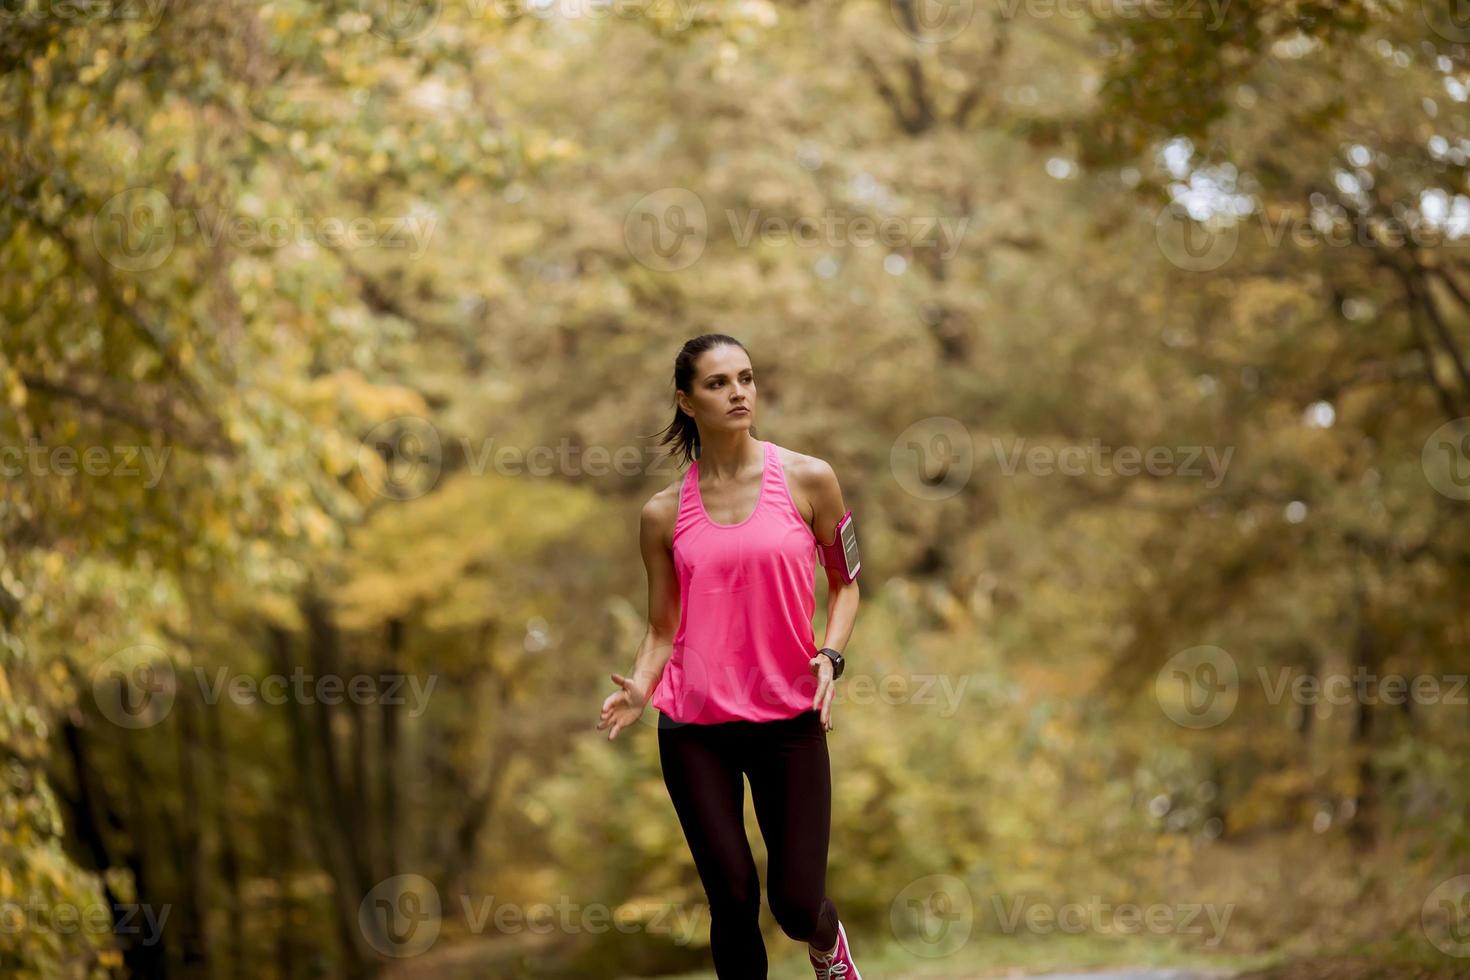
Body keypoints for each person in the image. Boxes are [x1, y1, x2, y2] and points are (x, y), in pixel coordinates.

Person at [597, 333, 864, 979]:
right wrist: (639, 686)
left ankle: (829, 948)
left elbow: (848, 582)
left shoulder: (809, 478)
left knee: (798, 905)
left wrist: (830, 655)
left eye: (746, 378)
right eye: (718, 383)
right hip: (695, 727)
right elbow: (663, 627)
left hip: (788, 718)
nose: (739, 392)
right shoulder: (662, 514)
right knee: (733, 899)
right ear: (687, 401)